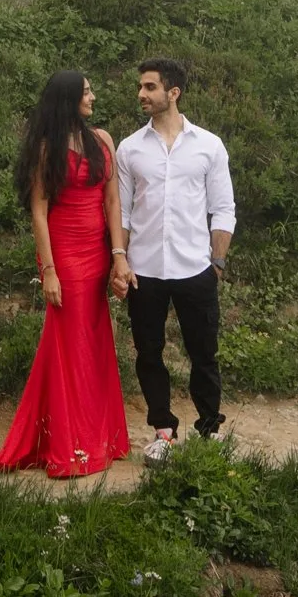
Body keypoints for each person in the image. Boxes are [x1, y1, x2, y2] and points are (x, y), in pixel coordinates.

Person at [0, 68, 133, 480]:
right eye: (87, 92)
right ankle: (69, 443)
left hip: (97, 251)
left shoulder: (101, 139)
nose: (93, 97)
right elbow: (39, 211)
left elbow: (112, 202)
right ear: (69, 99)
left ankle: (96, 436)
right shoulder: (47, 148)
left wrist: (119, 255)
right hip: (65, 255)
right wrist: (48, 271)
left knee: (92, 342)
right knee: (69, 345)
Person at [116, 57, 236, 464]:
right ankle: (163, 432)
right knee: (149, 354)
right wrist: (121, 261)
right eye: (141, 87)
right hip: (144, 270)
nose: (141, 94)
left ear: (173, 92)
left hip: (195, 269)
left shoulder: (208, 145)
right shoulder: (129, 148)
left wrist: (216, 264)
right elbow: (123, 214)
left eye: (149, 87)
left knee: (204, 352)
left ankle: (209, 430)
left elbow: (223, 208)